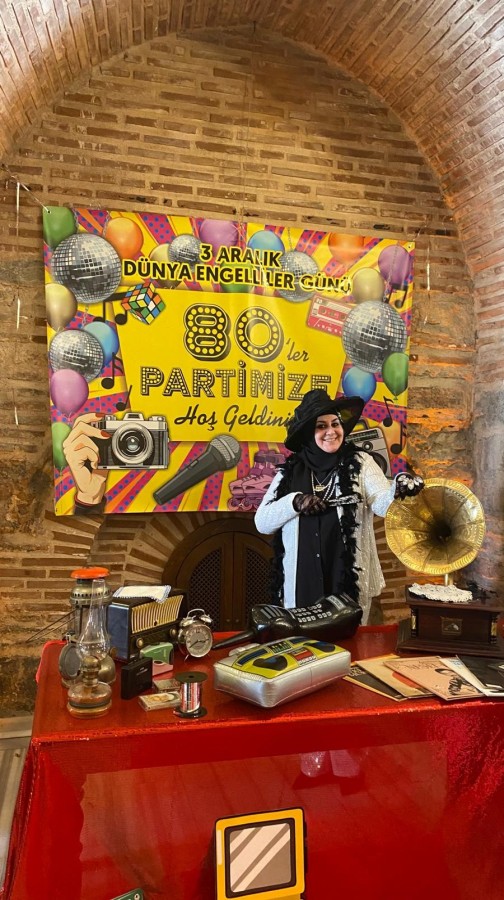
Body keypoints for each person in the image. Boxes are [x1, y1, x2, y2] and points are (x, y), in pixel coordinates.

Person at [255, 389, 424, 624]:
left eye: (335, 424)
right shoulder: (291, 472)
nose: (331, 431)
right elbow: (262, 522)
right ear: (308, 433)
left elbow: (381, 504)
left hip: (346, 578)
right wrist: (295, 502)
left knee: (349, 639)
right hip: (301, 580)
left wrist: (397, 489)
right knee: (305, 642)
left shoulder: (361, 463)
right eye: (321, 426)